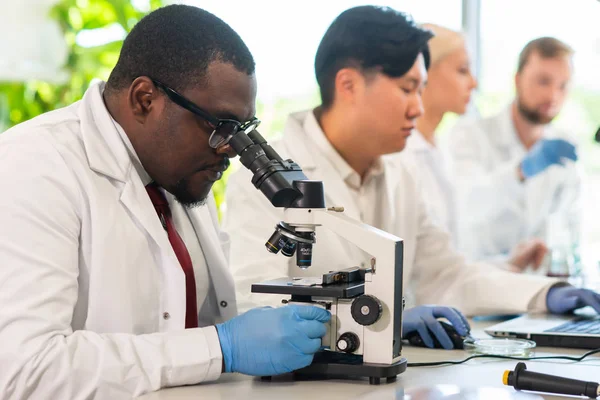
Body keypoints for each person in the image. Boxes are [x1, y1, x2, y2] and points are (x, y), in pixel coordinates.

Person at [223, 6, 600, 351]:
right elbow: (256, 306)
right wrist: (381, 322)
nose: (418, 108)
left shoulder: (402, 171)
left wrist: (546, 293)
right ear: (349, 84)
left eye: (420, 90)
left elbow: (447, 275)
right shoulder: (263, 184)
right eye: (407, 89)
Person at [0, 5, 330, 399]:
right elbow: (25, 368)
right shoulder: (34, 167)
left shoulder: (183, 174)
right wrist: (220, 348)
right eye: (219, 125)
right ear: (144, 99)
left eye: (241, 130)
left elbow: (201, 323)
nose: (229, 149)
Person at [403, 24, 547, 272]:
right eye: (462, 70)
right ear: (423, 71)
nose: (473, 83)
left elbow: (449, 266)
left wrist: (508, 265)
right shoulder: (401, 154)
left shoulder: (440, 149)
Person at [446, 37, 581, 265]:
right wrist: (520, 171)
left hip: (538, 284)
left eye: (563, 85)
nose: (553, 96)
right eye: (543, 81)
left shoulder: (563, 147)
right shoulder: (469, 135)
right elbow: (465, 205)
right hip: (479, 280)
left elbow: (570, 225)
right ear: (517, 80)